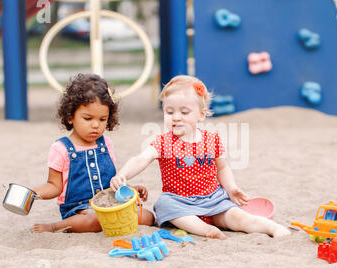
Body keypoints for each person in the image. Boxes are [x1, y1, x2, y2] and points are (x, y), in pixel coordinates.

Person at [110, 75, 290, 239]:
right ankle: (205, 230)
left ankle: (272, 228)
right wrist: (123, 175)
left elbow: (222, 168)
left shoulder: (211, 140)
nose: (176, 117)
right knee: (164, 204)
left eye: (184, 112)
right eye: (170, 112)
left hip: (214, 199)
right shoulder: (163, 142)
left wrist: (232, 188)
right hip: (179, 201)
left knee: (239, 218)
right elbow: (141, 158)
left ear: (201, 114)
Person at [31, 73, 154, 233]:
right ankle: (55, 226)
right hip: (79, 209)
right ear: (70, 117)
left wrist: (129, 189)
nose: (96, 125)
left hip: (108, 202)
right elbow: (54, 186)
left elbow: (109, 179)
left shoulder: (105, 144)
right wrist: (33, 193)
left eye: (102, 119)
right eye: (88, 119)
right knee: (94, 219)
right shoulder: (61, 148)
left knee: (147, 217)